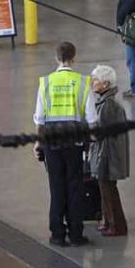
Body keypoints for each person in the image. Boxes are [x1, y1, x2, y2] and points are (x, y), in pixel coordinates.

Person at [33, 41, 93, 247]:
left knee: (56, 187)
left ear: (56, 58)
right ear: (74, 58)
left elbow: (39, 118)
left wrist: (38, 144)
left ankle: (57, 234)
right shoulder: (83, 82)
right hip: (75, 144)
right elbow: (92, 119)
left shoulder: (45, 83)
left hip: (52, 144)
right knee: (75, 187)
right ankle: (76, 233)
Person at [88, 65, 130, 237]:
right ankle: (108, 221)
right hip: (106, 154)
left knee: (109, 191)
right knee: (105, 191)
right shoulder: (106, 103)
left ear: (105, 84)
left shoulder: (108, 105)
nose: (93, 83)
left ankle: (117, 225)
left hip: (107, 156)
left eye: (96, 80)